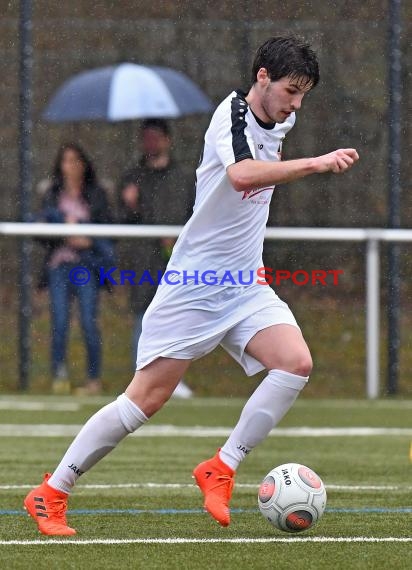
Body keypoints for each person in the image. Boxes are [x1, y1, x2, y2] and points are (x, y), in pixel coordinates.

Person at [24, 36, 359, 535]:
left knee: (295, 363)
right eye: (291, 89)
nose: (296, 104)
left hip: (245, 282)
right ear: (262, 76)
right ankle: (52, 492)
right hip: (196, 283)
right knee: (144, 401)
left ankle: (221, 467)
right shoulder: (232, 114)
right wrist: (314, 163)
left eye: (304, 94)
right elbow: (243, 176)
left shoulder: (282, 117)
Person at [118, 119, 194, 398]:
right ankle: (141, 380)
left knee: (177, 319)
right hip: (142, 260)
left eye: (156, 138)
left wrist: (179, 240)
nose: (151, 143)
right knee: (142, 316)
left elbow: (195, 214)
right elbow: (122, 222)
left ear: (167, 140)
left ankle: (172, 380)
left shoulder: (185, 177)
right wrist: (130, 205)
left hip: (178, 259)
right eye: (146, 138)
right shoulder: (132, 177)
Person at [36, 142, 114, 396]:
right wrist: (64, 232)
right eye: (66, 160)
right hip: (59, 264)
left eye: (75, 160)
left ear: (84, 164)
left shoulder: (96, 193)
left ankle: (93, 379)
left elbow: (107, 232)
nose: (71, 166)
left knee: (88, 322)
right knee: (59, 321)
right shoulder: (52, 193)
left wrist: (85, 237)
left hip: (86, 266)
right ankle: (59, 375)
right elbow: (40, 230)